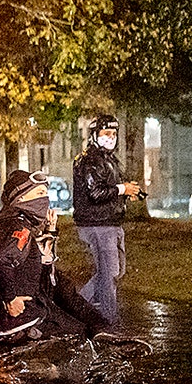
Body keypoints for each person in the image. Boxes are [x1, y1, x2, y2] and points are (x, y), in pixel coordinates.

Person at [0, 169, 126, 384]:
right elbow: (0, 259)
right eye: (38, 194)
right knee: (81, 340)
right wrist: (10, 298)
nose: (45, 200)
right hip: (20, 318)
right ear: (20, 198)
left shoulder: (13, 222)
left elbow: (33, 271)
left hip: (30, 309)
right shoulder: (18, 226)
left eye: (46, 194)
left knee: (81, 318)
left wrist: (47, 242)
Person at [72, 114, 142, 326]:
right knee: (109, 275)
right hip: (98, 224)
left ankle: (76, 306)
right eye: (105, 133)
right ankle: (108, 322)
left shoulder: (108, 158)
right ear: (94, 135)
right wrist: (122, 189)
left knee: (113, 272)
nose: (110, 138)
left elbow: (108, 188)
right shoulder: (91, 159)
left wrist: (126, 192)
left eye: (113, 133)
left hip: (110, 222)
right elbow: (95, 192)